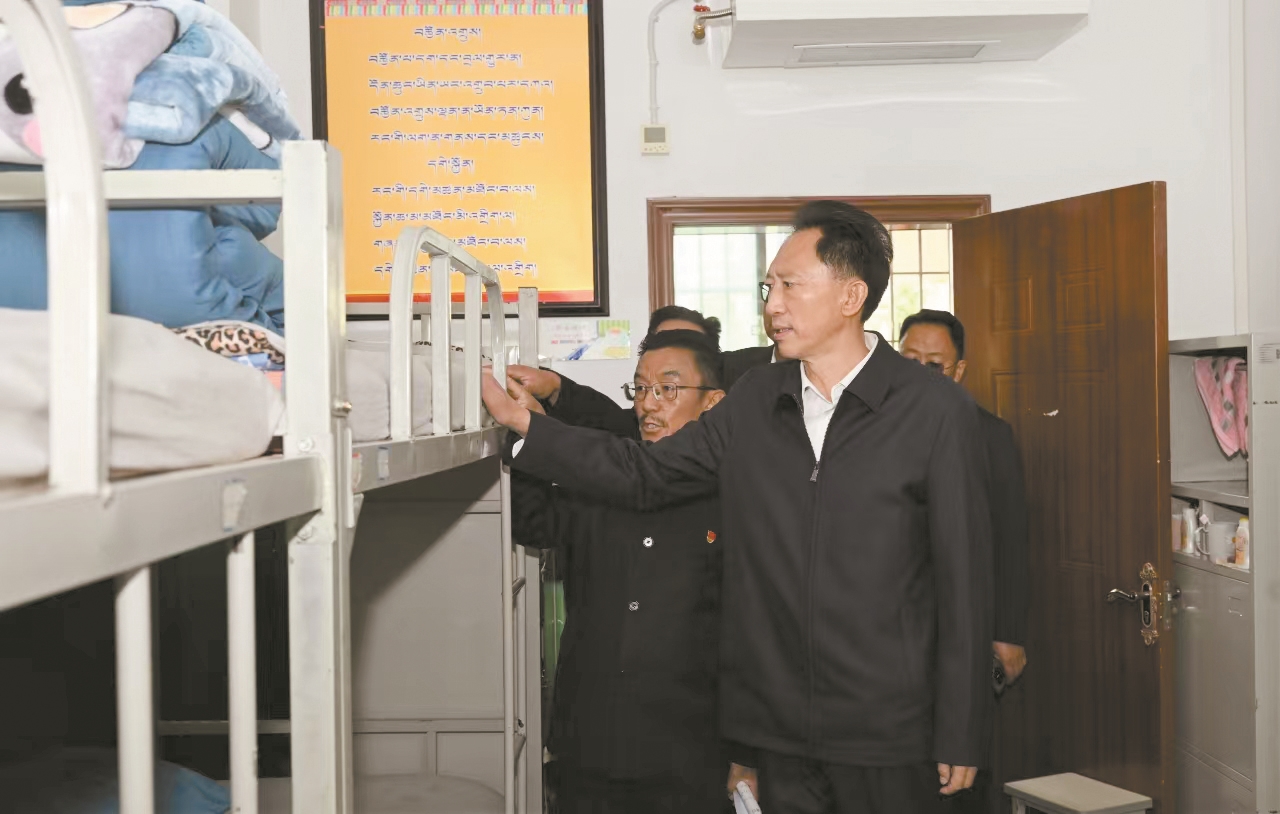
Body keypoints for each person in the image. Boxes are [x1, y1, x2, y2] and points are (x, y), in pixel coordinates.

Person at [487, 200, 993, 814]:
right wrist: (529, 428)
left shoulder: (933, 410)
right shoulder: (757, 398)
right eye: (767, 287)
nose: (772, 304)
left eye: (790, 285)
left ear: (850, 295)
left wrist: (962, 725)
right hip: (778, 730)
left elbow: (964, 579)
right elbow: (645, 472)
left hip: (887, 728)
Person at [510, 329, 729, 814]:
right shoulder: (602, 476)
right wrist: (524, 436)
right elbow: (533, 524)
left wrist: (747, 752)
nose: (649, 404)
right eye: (641, 388)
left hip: (691, 746)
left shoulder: (736, 495)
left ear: (713, 402)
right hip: (591, 739)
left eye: (668, 389)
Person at [899, 309, 1030, 814]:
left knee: (960, 767)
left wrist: (1008, 633)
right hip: (893, 630)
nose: (920, 373)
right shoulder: (870, 427)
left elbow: (1010, 539)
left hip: (962, 627)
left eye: (934, 364)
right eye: (909, 360)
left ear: (958, 371)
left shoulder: (989, 433)